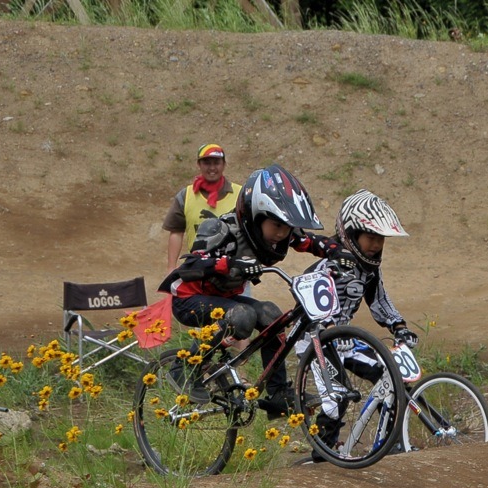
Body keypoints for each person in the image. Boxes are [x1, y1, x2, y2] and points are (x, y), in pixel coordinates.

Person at [158, 164, 333, 417]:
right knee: (242, 317)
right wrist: (228, 263)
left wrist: (343, 253)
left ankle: (277, 392)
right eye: (276, 226)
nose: (281, 234)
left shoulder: (281, 233)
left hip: (224, 300)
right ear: (256, 216)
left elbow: (313, 243)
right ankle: (184, 367)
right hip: (189, 299)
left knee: (272, 315)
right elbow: (191, 266)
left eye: (286, 227)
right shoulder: (221, 229)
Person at [299, 188, 417, 460]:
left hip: (345, 340)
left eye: (381, 239)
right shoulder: (327, 266)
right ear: (350, 234)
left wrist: (398, 326)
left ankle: (392, 442)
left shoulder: (369, 270)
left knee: (390, 377)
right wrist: (324, 325)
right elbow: (307, 301)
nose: (376, 245)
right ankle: (323, 452)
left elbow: (380, 301)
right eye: (371, 237)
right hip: (315, 341)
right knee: (337, 398)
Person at [161, 143, 241, 272]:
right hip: (197, 271)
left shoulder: (240, 195)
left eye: (216, 163)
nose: (212, 168)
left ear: (224, 164)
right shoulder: (185, 195)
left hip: (234, 272)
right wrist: (171, 268)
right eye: (207, 163)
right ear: (199, 165)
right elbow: (176, 232)